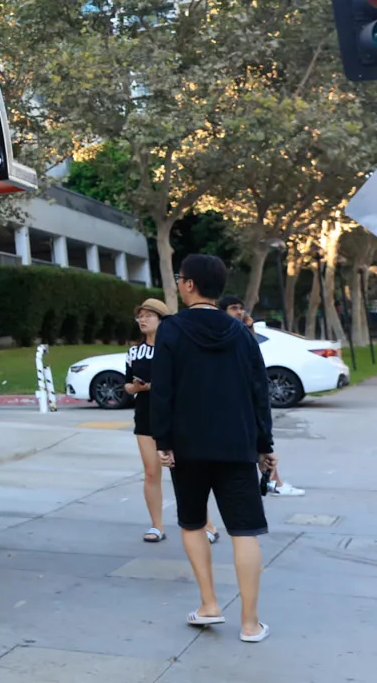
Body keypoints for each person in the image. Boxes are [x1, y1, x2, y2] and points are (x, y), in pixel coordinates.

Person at [152, 254, 274, 644]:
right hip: (237, 445)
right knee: (244, 532)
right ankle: (251, 624)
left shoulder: (171, 330)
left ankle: (209, 605)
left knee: (192, 523)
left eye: (180, 278)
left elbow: (163, 391)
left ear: (189, 285)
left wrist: (163, 441)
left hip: (187, 447)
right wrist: (264, 445)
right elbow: (260, 393)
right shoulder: (242, 334)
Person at [125, 298, 218, 544]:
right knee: (151, 472)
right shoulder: (134, 351)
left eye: (148, 316)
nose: (142, 320)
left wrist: (156, 386)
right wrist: (135, 387)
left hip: (176, 416)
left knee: (188, 473)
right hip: (145, 416)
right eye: (140, 316)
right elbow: (126, 384)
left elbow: (186, 382)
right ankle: (157, 526)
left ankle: (207, 525)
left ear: (162, 320)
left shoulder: (177, 347)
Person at [218, 294, 304, 497]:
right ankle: (270, 481)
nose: (239, 312)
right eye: (233, 308)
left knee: (260, 438)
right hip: (233, 398)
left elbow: (252, 354)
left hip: (249, 395)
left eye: (240, 308)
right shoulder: (224, 333)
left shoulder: (242, 331)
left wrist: (250, 328)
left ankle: (273, 480)